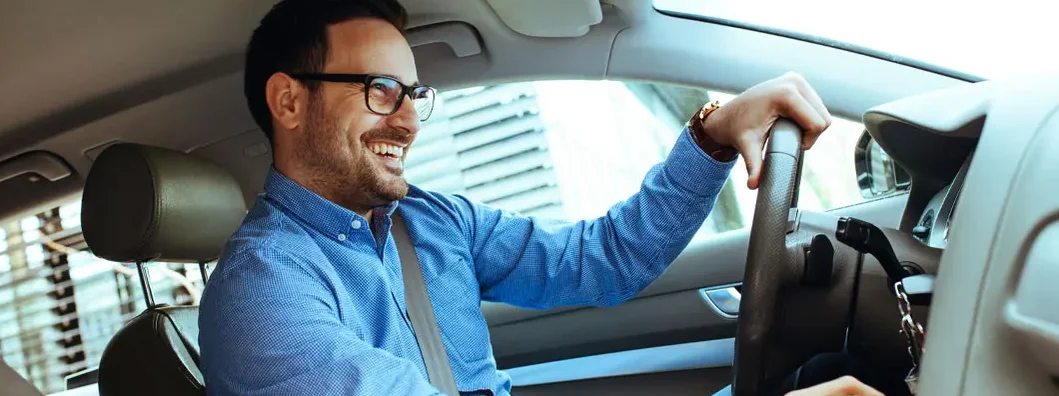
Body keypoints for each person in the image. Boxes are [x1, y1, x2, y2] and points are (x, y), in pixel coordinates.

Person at [197, 1, 881, 395]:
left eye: (413, 96)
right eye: (380, 91)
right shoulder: (258, 296)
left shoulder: (430, 222)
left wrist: (712, 136)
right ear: (289, 100)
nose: (405, 120)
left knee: (832, 369)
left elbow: (603, 260)